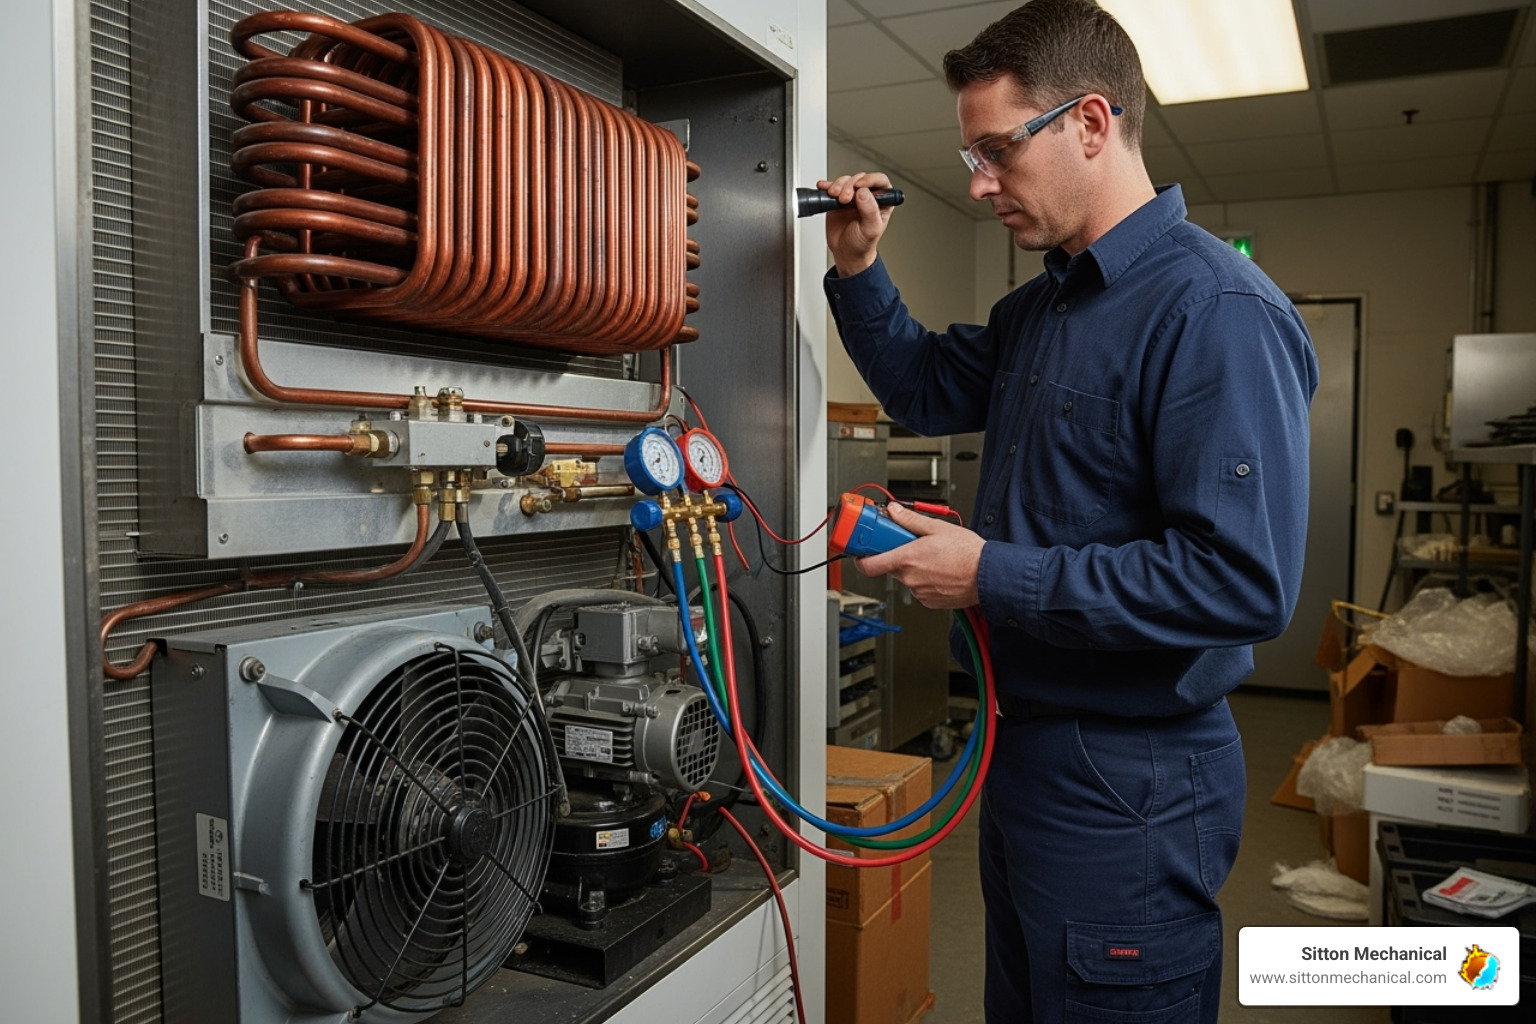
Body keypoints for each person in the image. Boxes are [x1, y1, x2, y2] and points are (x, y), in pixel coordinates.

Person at [816, 2, 1318, 1022]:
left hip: (1133, 774)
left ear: (1090, 122)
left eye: (998, 150)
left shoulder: (1215, 310)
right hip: (1027, 747)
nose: (979, 182)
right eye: (972, 156)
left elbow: (1240, 582)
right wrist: (859, 267)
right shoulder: (1043, 308)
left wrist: (988, 572)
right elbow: (924, 386)